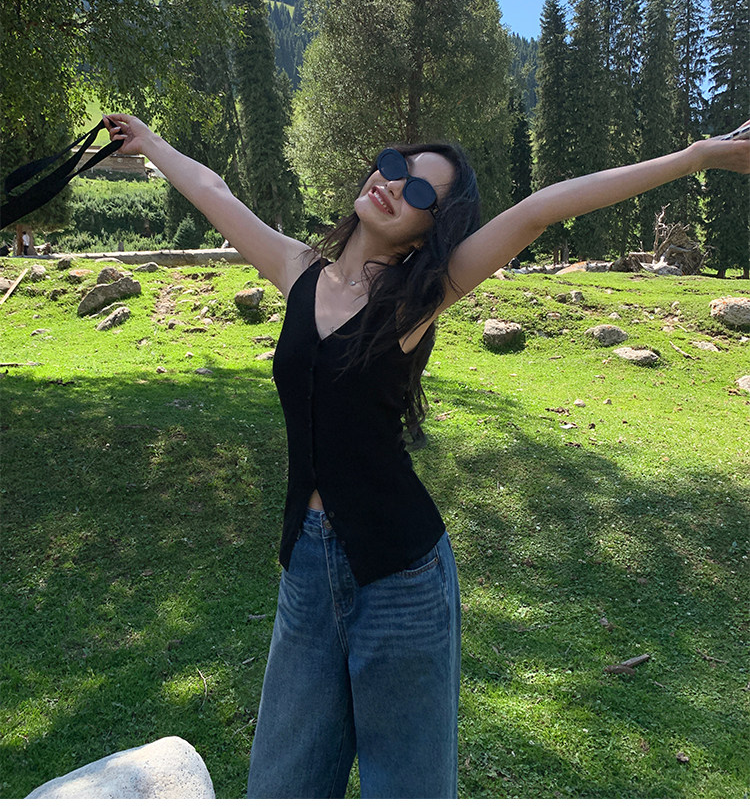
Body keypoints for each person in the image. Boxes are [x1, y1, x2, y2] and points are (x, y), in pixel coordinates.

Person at [103, 113, 749, 798]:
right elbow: (214, 190)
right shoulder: (298, 270)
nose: (393, 185)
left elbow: (540, 210)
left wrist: (695, 156)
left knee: (405, 789)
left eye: (418, 193)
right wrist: (150, 144)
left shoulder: (419, 297)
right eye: (395, 166)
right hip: (306, 571)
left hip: (402, 583)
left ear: (425, 234)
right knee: (282, 785)